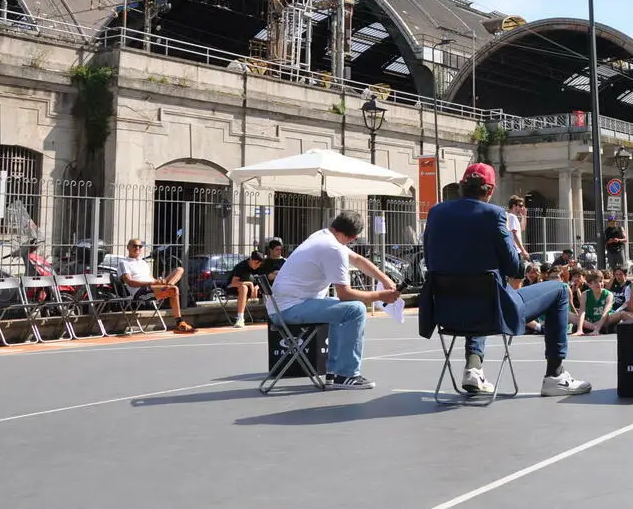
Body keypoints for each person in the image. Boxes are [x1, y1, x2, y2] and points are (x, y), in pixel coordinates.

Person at [420, 163, 591, 397]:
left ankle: (473, 367)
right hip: (493, 311)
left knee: (475, 293)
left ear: (461, 186)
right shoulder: (495, 215)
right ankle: (555, 375)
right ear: (489, 190)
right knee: (560, 289)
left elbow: (429, 260)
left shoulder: (436, 213)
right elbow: (514, 268)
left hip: (446, 312)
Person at [270, 211, 399, 389]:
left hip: (284, 306)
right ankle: (346, 374)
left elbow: (358, 260)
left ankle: (334, 371)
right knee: (355, 309)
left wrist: (385, 280)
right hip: (290, 309)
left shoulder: (322, 236)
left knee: (343, 309)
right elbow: (344, 294)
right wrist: (381, 296)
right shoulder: (334, 249)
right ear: (353, 237)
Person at [116, 238, 195, 334]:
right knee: (174, 290)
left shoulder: (143, 263)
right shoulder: (123, 263)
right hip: (140, 292)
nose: (137, 248)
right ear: (128, 247)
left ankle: (169, 284)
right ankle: (179, 322)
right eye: (134, 246)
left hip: (152, 287)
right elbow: (130, 282)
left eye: (140, 246)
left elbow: (151, 279)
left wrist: (158, 281)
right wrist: (151, 283)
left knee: (179, 269)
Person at [226, 251, 264, 327]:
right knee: (244, 288)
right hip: (233, 287)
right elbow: (233, 283)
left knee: (269, 287)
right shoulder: (241, 266)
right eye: (256, 263)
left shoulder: (259, 267)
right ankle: (240, 319)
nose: (258, 266)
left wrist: (256, 287)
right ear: (251, 259)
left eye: (260, 264)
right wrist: (250, 284)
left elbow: (262, 280)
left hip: (252, 290)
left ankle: (272, 315)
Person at [506, 195, 529, 259]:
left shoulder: (512, 217)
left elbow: (522, 229)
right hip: (514, 251)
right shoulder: (512, 217)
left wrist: (524, 216)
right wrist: (523, 250)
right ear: (514, 206)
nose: (522, 208)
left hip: (514, 251)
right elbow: (514, 234)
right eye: (520, 206)